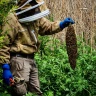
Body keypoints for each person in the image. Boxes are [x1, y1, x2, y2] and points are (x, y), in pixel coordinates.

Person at [0, 0, 75, 96]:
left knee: (36, 92)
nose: (35, 8)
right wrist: (5, 67)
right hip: (18, 60)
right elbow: (3, 43)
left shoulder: (35, 15)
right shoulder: (12, 18)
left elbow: (47, 27)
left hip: (31, 59)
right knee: (20, 92)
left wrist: (61, 24)